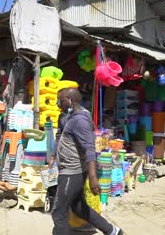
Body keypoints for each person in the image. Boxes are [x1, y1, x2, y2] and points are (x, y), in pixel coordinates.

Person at [49, 88, 122, 235]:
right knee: (79, 207)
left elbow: (90, 148)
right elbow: (59, 135)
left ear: (71, 100)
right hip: (69, 169)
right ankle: (113, 231)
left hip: (72, 171)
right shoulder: (67, 116)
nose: (58, 103)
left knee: (58, 212)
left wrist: (93, 177)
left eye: (61, 100)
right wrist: (53, 156)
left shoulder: (80, 120)